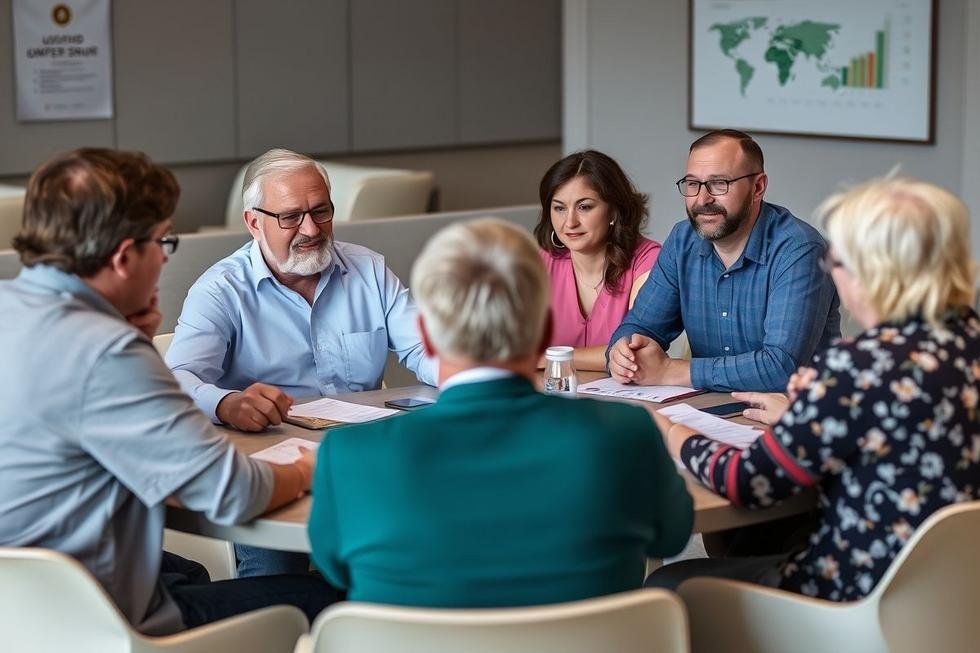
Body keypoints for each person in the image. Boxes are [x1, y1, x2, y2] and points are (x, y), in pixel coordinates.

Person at [0, 148, 339, 635]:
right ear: (123, 258)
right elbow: (233, 493)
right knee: (328, 599)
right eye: (164, 241)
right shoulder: (105, 352)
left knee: (188, 573)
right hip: (96, 625)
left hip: (20, 613)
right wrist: (308, 465)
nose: (164, 255)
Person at [308, 218, 693, 607]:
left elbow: (334, 569)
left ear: (425, 335)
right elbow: (672, 535)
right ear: (545, 331)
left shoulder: (348, 455)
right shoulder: (628, 434)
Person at [646, 176, 980, 601]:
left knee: (667, 586)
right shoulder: (966, 338)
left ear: (873, 274)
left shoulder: (857, 367)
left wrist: (669, 430)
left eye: (838, 263)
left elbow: (746, 481)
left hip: (859, 593)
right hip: (955, 594)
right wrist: (806, 415)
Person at [165, 148, 436, 577]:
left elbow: (426, 349)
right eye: (291, 217)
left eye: (321, 211)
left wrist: (474, 379)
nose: (310, 229)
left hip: (362, 457)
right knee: (275, 578)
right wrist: (226, 403)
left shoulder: (368, 270)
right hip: (274, 465)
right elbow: (177, 379)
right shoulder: (221, 289)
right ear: (254, 223)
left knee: (426, 543)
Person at [608, 129, 840, 392]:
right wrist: (624, 354)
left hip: (799, 417)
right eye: (693, 184)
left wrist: (672, 370)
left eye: (719, 184)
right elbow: (639, 326)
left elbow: (781, 367)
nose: (703, 199)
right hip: (707, 409)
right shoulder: (682, 241)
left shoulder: (799, 249)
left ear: (758, 187)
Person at [534, 150, 661, 371]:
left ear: (614, 211)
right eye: (559, 208)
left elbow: (635, 352)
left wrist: (546, 358)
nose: (570, 222)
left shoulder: (648, 260)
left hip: (626, 398)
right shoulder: (541, 263)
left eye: (584, 207)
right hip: (555, 395)